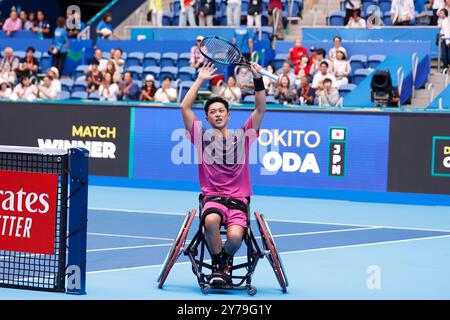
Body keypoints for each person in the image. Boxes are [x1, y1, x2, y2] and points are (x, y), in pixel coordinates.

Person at [179, 62, 266, 286]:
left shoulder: (244, 136)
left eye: (221, 111)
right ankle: (219, 265)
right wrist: (200, 79)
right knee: (210, 221)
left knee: (236, 237)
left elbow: (259, 109)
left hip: (238, 201)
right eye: (212, 112)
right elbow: (185, 108)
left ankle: (224, 262)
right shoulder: (201, 137)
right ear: (207, 119)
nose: (217, 114)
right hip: (213, 199)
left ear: (228, 115)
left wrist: (257, 79)